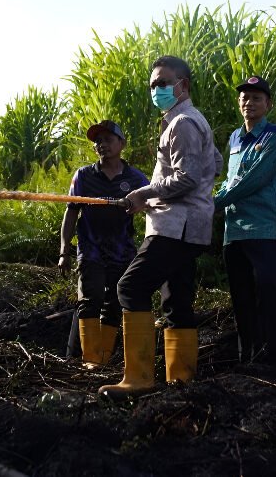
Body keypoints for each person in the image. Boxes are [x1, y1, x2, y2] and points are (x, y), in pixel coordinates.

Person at [99, 56, 223, 398]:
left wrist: (144, 193)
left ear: (183, 86)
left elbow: (186, 176)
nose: (157, 90)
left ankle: (138, 378)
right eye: (153, 84)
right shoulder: (190, 120)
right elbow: (215, 163)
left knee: (130, 288)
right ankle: (180, 380)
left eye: (163, 83)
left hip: (175, 228)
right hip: (189, 226)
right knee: (177, 300)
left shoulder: (182, 122)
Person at [58, 121, 149, 369]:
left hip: (123, 252)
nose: (102, 145)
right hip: (91, 250)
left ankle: (104, 358)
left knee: (114, 303)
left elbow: (154, 207)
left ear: (122, 144)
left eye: (108, 139)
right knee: (91, 298)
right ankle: (88, 359)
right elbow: (71, 213)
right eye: (98, 141)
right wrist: (64, 251)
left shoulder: (136, 178)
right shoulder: (84, 176)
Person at [214, 76, 276, 364]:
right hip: (234, 231)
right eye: (245, 97)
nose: (249, 102)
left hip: (262, 228)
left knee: (267, 290)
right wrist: (212, 199)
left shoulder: (274, 136)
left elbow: (254, 179)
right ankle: (249, 357)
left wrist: (216, 203)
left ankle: (274, 356)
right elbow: (229, 180)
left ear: (268, 104)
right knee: (241, 295)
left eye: (257, 98)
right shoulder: (234, 137)